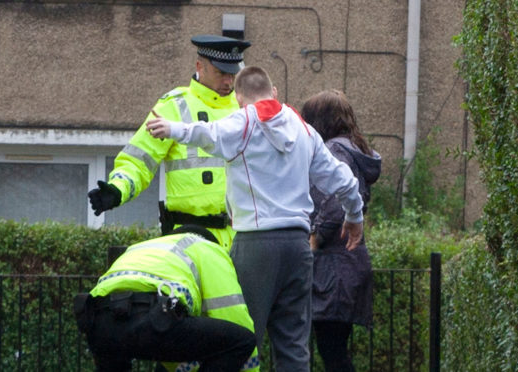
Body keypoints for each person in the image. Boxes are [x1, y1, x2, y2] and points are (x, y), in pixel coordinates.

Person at [147, 66, 365, 371]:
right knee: (293, 346)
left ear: (238, 98)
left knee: (242, 338)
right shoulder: (304, 130)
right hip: (298, 247)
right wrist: (354, 215)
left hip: (255, 244)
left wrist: (171, 129)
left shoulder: (242, 122)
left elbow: (207, 133)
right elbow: (343, 179)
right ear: (274, 92)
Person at [87, 34, 252, 251]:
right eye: (221, 73)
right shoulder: (173, 106)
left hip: (242, 237)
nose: (228, 81)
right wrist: (118, 189)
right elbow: (139, 160)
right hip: (190, 237)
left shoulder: (246, 108)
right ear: (200, 66)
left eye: (233, 73)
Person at [73, 224, 260, 372]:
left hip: (99, 323)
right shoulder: (209, 248)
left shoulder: (143, 247)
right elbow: (231, 314)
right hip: (155, 318)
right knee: (242, 341)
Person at [301, 89, 382, 372]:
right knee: (334, 349)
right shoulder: (354, 148)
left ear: (320, 121)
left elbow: (338, 203)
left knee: (331, 351)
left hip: (333, 265)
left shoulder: (335, 150)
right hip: (348, 262)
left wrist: (314, 238)